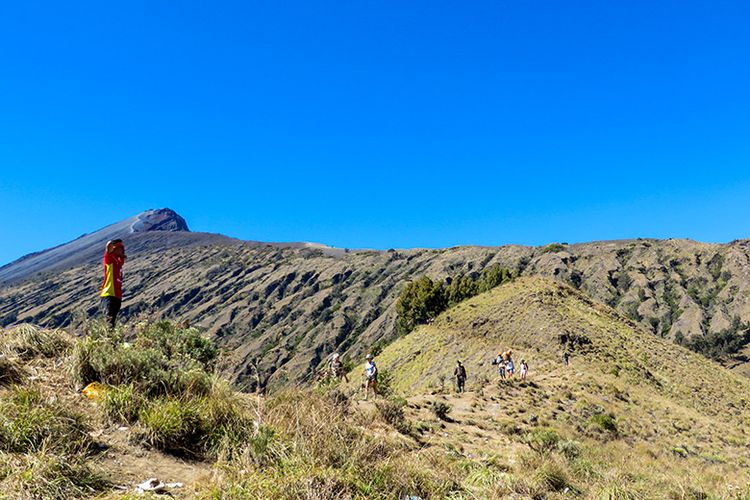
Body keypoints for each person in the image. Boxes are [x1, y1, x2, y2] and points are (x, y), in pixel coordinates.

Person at [100, 239, 126, 328]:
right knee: (109, 320)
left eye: (122, 248)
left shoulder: (119, 263)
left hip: (117, 296)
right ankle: (107, 340)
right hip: (109, 294)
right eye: (119, 248)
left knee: (113, 320)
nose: (122, 249)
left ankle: (111, 340)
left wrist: (121, 254)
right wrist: (112, 243)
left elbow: (122, 258)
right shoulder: (109, 260)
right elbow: (108, 247)